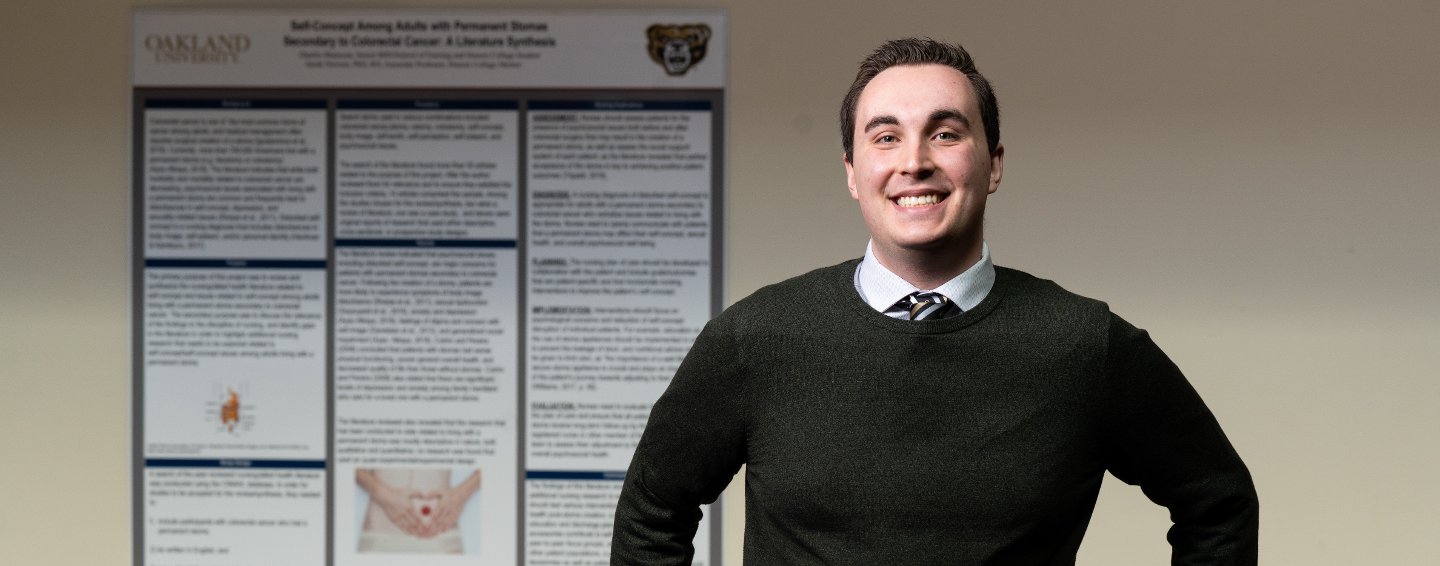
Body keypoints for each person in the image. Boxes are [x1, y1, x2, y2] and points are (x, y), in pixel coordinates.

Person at [611, 38, 1258, 565]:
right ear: (851, 171)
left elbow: (1218, 503)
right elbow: (650, 514)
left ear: (994, 163)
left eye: (945, 133)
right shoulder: (758, 338)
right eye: (885, 137)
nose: (913, 161)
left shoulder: (1084, 346)